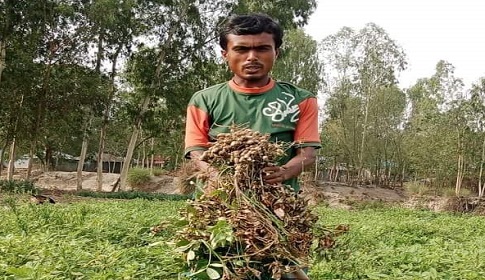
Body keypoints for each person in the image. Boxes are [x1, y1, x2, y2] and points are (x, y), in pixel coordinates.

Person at [184, 13, 320, 279]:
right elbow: (197, 151)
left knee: (285, 270)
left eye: (262, 48)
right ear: (225, 53)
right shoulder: (204, 100)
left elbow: (307, 153)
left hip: (279, 208)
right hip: (220, 208)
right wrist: (222, 178)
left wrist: (284, 172)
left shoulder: (300, 100)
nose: (251, 57)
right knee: (220, 268)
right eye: (241, 49)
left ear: (276, 52)